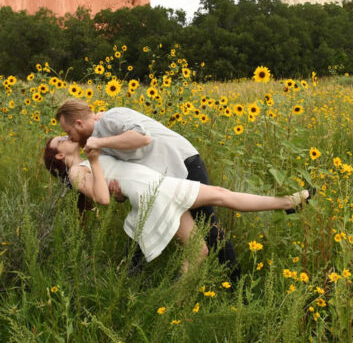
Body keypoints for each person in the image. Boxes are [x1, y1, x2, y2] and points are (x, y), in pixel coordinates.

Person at [43, 136, 314, 266]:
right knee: (219, 200)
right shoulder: (76, 170)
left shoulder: (86, 161)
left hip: (153, 185)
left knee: (203, 242)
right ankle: (288, 202)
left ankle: (289, 203)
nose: (65, 137)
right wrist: (93, 162)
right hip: (152, 192)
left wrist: (119, 191)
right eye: (60, 140)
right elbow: (101, 198)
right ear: (57, 155)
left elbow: (112, 188)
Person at [55, 99, 241, 278]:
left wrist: (101, 143)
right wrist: (119, 193)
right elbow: (127, 171)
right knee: (142, 226)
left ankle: (236, 284)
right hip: (162, 182)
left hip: (184, 164)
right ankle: (129, 280)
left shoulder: (111, 117)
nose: (69, 137)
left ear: (78, 123)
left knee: (210, 229)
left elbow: (143, 138)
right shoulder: (96, 142)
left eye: (68, 131)